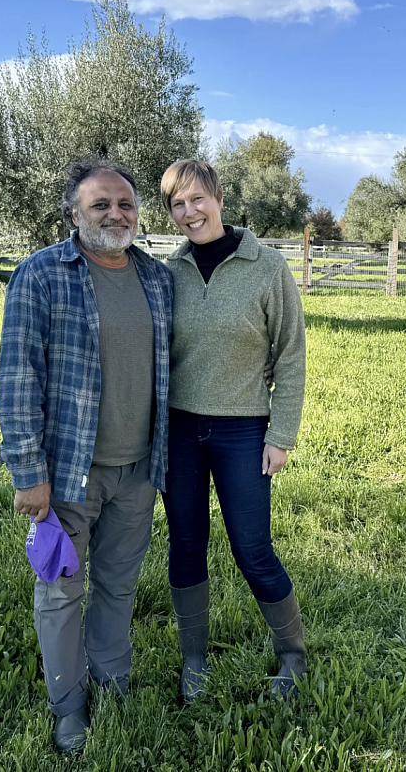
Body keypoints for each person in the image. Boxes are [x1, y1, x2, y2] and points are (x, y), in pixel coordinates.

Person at [0, 159, 174, 754]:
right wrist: (28, 473)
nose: (115, 214)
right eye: (100, 204)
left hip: (141, 467)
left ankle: (112, 677)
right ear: (74, 213)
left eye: (125, 204)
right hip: (68, 470)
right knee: (60, 589)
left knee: (119, 585)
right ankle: (68, 705)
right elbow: (17, 377)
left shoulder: (156, 278)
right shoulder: (41, 275)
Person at [159, 158, 308, 702]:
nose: (189, 211)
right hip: (179, 432)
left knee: (253, 549)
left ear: (219, 197)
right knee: (185, 546)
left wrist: (281, 434)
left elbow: (289, 354)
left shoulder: (267, 267)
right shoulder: (165, 274)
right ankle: (194, 660)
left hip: (244, 431)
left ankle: (293, 654)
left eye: (197, 198)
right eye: (177, 203)